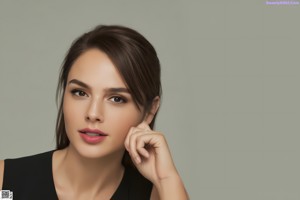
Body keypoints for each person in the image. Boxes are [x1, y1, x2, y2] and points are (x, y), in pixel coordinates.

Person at [0, 25, 188, 200]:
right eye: (80, 93)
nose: (93, 113)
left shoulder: (156, 194)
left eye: (117, 98)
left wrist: (167, 179)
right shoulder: (5, 184)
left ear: (150, 110)